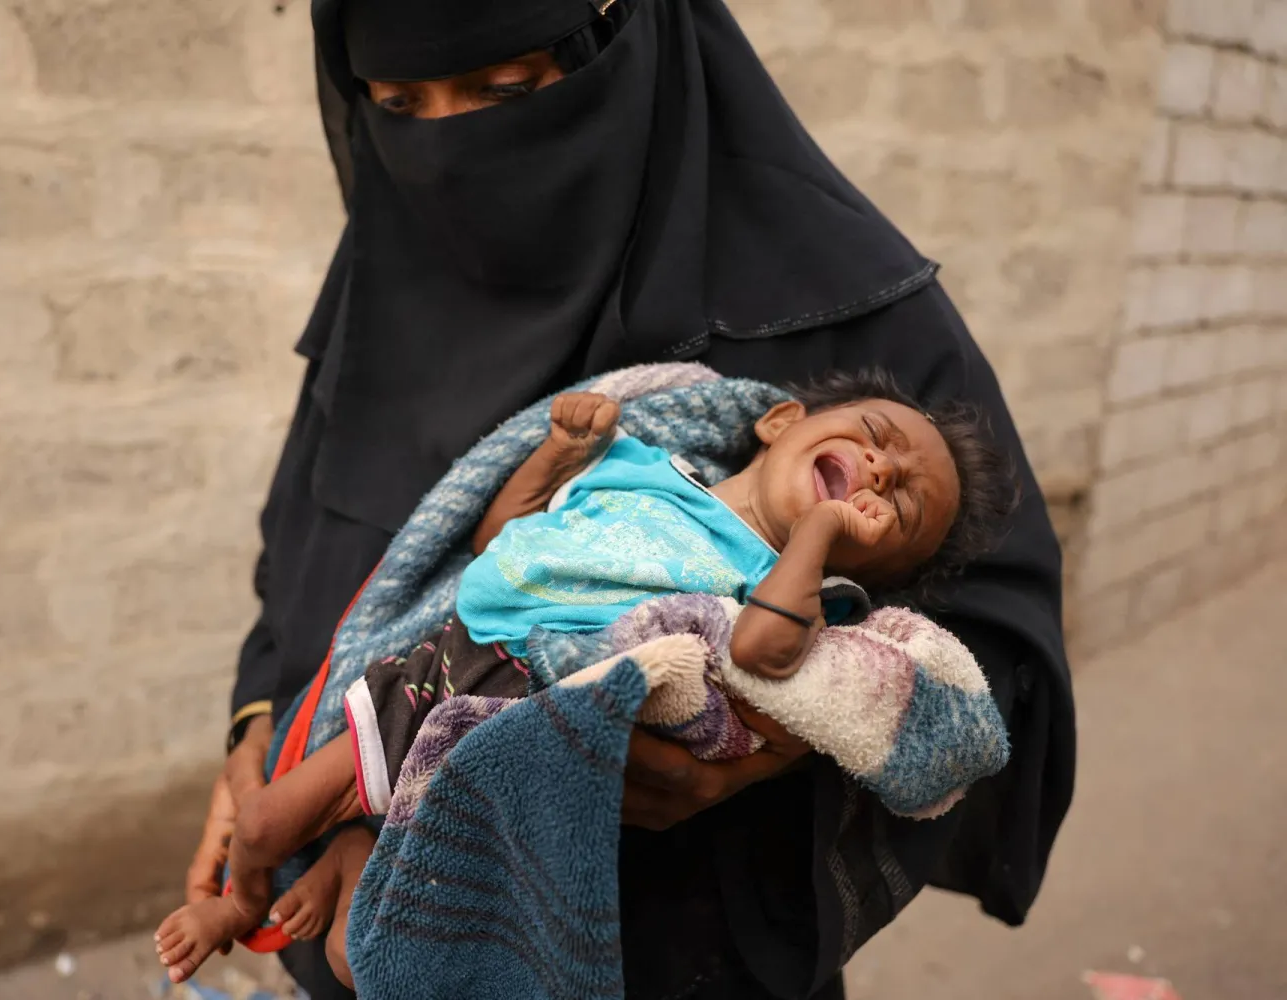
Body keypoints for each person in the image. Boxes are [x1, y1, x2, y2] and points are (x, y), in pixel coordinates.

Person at [185, 0, 1077, 995]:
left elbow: (1001, 643)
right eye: (399, 103)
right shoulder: (389, 276)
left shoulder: (845, 322)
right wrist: (260, 733)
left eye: (507, 90)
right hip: (352, 897)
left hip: (675, 949)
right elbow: (306, 542)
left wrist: (765, 748)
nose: (449, 146)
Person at [159, 373, 1016, 985]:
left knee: (369, 945)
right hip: (442, 659)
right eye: (874, 439)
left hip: (515, 701)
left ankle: (364, 854)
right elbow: (497, 538)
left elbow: (760, 652)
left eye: (897, 506)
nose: (879, 472)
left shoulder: (790, 584)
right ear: (779, 420)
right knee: (268, 816)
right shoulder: (645, 462)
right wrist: (560, 452)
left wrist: (823, 529)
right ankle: (245, 901)